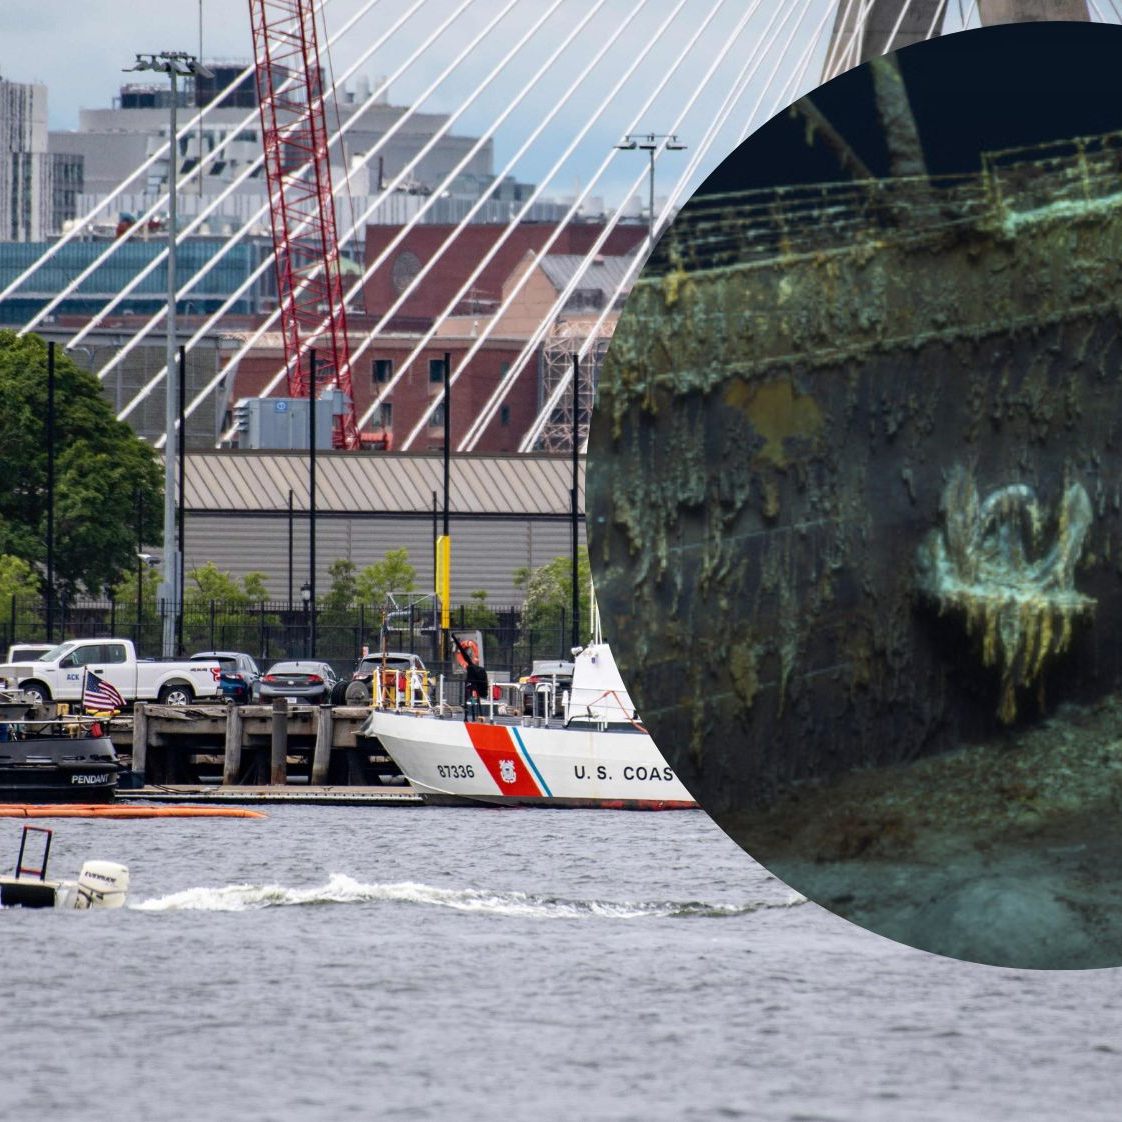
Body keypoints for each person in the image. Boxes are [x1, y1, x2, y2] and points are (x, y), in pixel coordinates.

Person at [451, 633, 487, 722]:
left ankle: (468, 716)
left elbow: (462, 652)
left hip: (472, 681)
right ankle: (474, 715)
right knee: (473, 698)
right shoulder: (476, 668)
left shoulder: (471, 666)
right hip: (474, 682)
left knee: (470, 697)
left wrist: (454, 638)